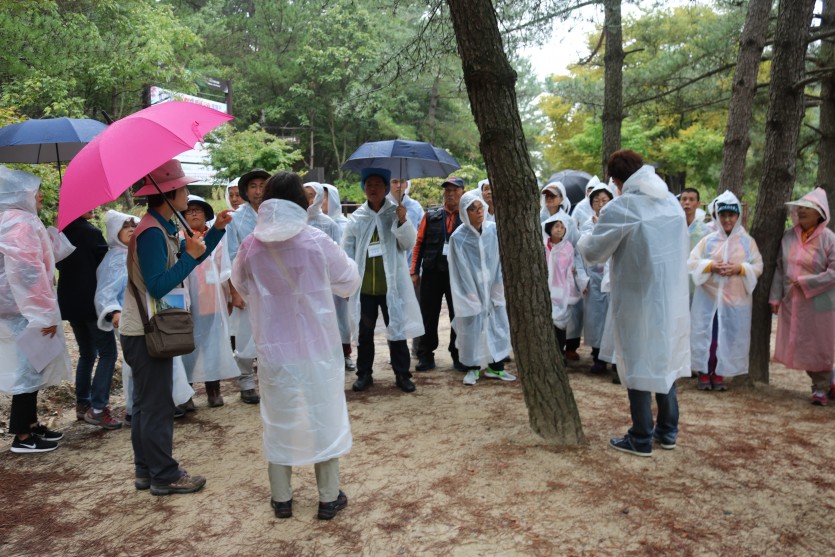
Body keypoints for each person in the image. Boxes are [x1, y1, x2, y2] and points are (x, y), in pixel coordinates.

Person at [232, 171, 360, 520]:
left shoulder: (250, 246)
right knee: (324, 416)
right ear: (302, 203)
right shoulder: (316, 240)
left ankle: (282, 499)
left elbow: (240, 284)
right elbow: (348, 281)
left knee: (279, 419)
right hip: (317, 349)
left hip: (274, 351)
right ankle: (328, 497)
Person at [119, 159, 232, 495]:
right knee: (155, 405)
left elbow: (194, 253)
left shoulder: (162, 227)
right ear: (169, 194)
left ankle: (146, 470)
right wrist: (188, 257)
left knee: (145, 403)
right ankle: (165, 475)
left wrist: (218, 230)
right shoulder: (152, 233)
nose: (188, 193)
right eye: (183, 188)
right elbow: (158, 284)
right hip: (146, 330)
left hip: (145, 328)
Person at [578, 150, 690, 457]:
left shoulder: (624, 206)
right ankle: (668, 431)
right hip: (670, 298)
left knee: (638, 359)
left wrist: (587, 232)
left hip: (638, 297)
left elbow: (594, 253)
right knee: (664, 359)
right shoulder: (670, 204)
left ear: (616, 180)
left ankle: (641, 436)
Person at [0, 166, 71, 453]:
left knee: (32, 366)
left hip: (15, 308)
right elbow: (27, 272)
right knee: (29, 368)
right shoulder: (21, 223)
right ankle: (22, 436)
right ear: (19, 194)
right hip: (25, 310)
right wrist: (44, 314)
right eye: (35, 190)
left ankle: (30, 425)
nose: (40, 195)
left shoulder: (13, 220)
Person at [343, 168, 424, 392]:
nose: (373, 188)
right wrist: (347, 281)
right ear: (364, 188)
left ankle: (402, 374)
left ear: (387, 188)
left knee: (396, 331)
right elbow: (347, 250)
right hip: (366, 288)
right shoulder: (358, 217)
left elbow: (408, 244)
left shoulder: (395, 212)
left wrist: (403, 221)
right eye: (369, 184)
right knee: (364, 333)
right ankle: (364, 373)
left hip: (392, 288)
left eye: (379, 184)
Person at [689, 191, 763, 391]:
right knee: (709, 338)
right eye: (723, 215)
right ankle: (705, 372)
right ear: (717, 216)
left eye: (731, 215)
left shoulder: (747, 242)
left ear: (738, 216)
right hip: (709, 300)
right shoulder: (709, 240)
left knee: (728, 339)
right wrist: (710, 266)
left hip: (735, 301)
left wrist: (739, 269)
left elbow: (757, 266)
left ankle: (720, 374)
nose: (727, 219)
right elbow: (692, 262)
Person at [57, 205, 122, 429]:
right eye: (87, 204)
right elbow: (105, 266)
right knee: (108, 353)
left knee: (87, 354)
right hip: (92, 303)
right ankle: (98, 408)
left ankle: (82, 405)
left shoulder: (60, 233)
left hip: (70, 303)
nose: (93, 208)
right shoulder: (91, 233)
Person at [769, 187, 835, 405]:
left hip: (821, 300)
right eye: (801, 207)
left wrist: (807, 281)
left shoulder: (829, 239)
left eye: (809, 208)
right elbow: (780, 267)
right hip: (793, 300)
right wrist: (775, 297)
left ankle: (821, 387)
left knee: (819, 344)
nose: (802, 211)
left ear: (820, 213)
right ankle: (828, 381)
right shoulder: (789, 236)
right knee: (799, 342)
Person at [448, 191, 514, 385]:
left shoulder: (493, 231)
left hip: (492, 287)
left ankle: (496, 366)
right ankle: (473, 368)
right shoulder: (458, 238)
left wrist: (497, 284)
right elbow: (459, 269)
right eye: (473, 209)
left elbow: (499, 259)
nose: (478, 213)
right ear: (464, 212)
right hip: (471, 290)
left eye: (480, 208)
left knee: (497, 325)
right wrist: (469, 293)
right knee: (472, 328)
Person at [180, 196, 238, 408]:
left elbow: (225, 268)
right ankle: (186, 394)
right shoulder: (179, 238)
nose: (194, 213)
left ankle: (214, 391)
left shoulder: (214, 238)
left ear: (206, 215)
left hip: (212, 302)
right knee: (187, 350)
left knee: (212, 348)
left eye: (199, 210)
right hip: (188, 304)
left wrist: (231, 296)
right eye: (189, 210)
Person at [411, 177, 466, 372]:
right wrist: (414, 271)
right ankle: (426, 355)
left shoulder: (467, 216)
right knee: (428, 315)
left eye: (455, 190)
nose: (450, 193)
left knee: (458, 314)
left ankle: (458, 354)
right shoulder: (431, 214)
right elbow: (419, 243)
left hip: (457, 275)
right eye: (447, 190)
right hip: (432, 272)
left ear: (462, 192)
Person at [226, 168, 270, 404]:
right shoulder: (236, 219)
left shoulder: (276, 214)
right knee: (245, 335)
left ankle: (271, 379)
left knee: (273, 333)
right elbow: (231, 256)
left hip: (273, 285)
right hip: (247, 284)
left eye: (263, 185)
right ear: (245, 191)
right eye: (253, 186)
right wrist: (235, 290)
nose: (258, 190)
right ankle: (246, 381)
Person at [94, 210, 139, 422]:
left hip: (143, 315)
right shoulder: (114, 259)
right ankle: (134, 409)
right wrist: (114, 311)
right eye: (125, 226)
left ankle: (148, 403)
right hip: (126, 317)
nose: (131, 230)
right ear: (114, 232)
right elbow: (105, 290)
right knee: (134, 363)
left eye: (133, 226)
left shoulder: (136, 253)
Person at [306, 182, 355, 372]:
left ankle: (344, 352)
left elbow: (339, 253)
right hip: (308, 281)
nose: (310, 199)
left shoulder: (330, 224)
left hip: (330, 280)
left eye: (313, 195)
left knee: (339, 316)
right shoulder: (298, 221)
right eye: (305, 195)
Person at [579, 182, 616, 374]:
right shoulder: (587, 224)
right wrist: (583, 278)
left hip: (614, 279)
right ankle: (598, 356)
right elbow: (583, 250)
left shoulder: (618, 222)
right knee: (596, 320)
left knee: (614, 320)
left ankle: (616, 361)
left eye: (604, 200)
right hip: (594, 279)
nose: (601, 204)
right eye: (596, 200)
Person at [544, 211, 587, 356]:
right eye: (556, 226)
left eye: (562, 227)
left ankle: (560, 354)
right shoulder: (543, 246)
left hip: (562, 291)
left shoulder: (568, 247)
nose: (559, 230)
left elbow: (571, 271)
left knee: (560, 325)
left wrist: (578, 287)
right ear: (550, 228)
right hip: (545, 291)